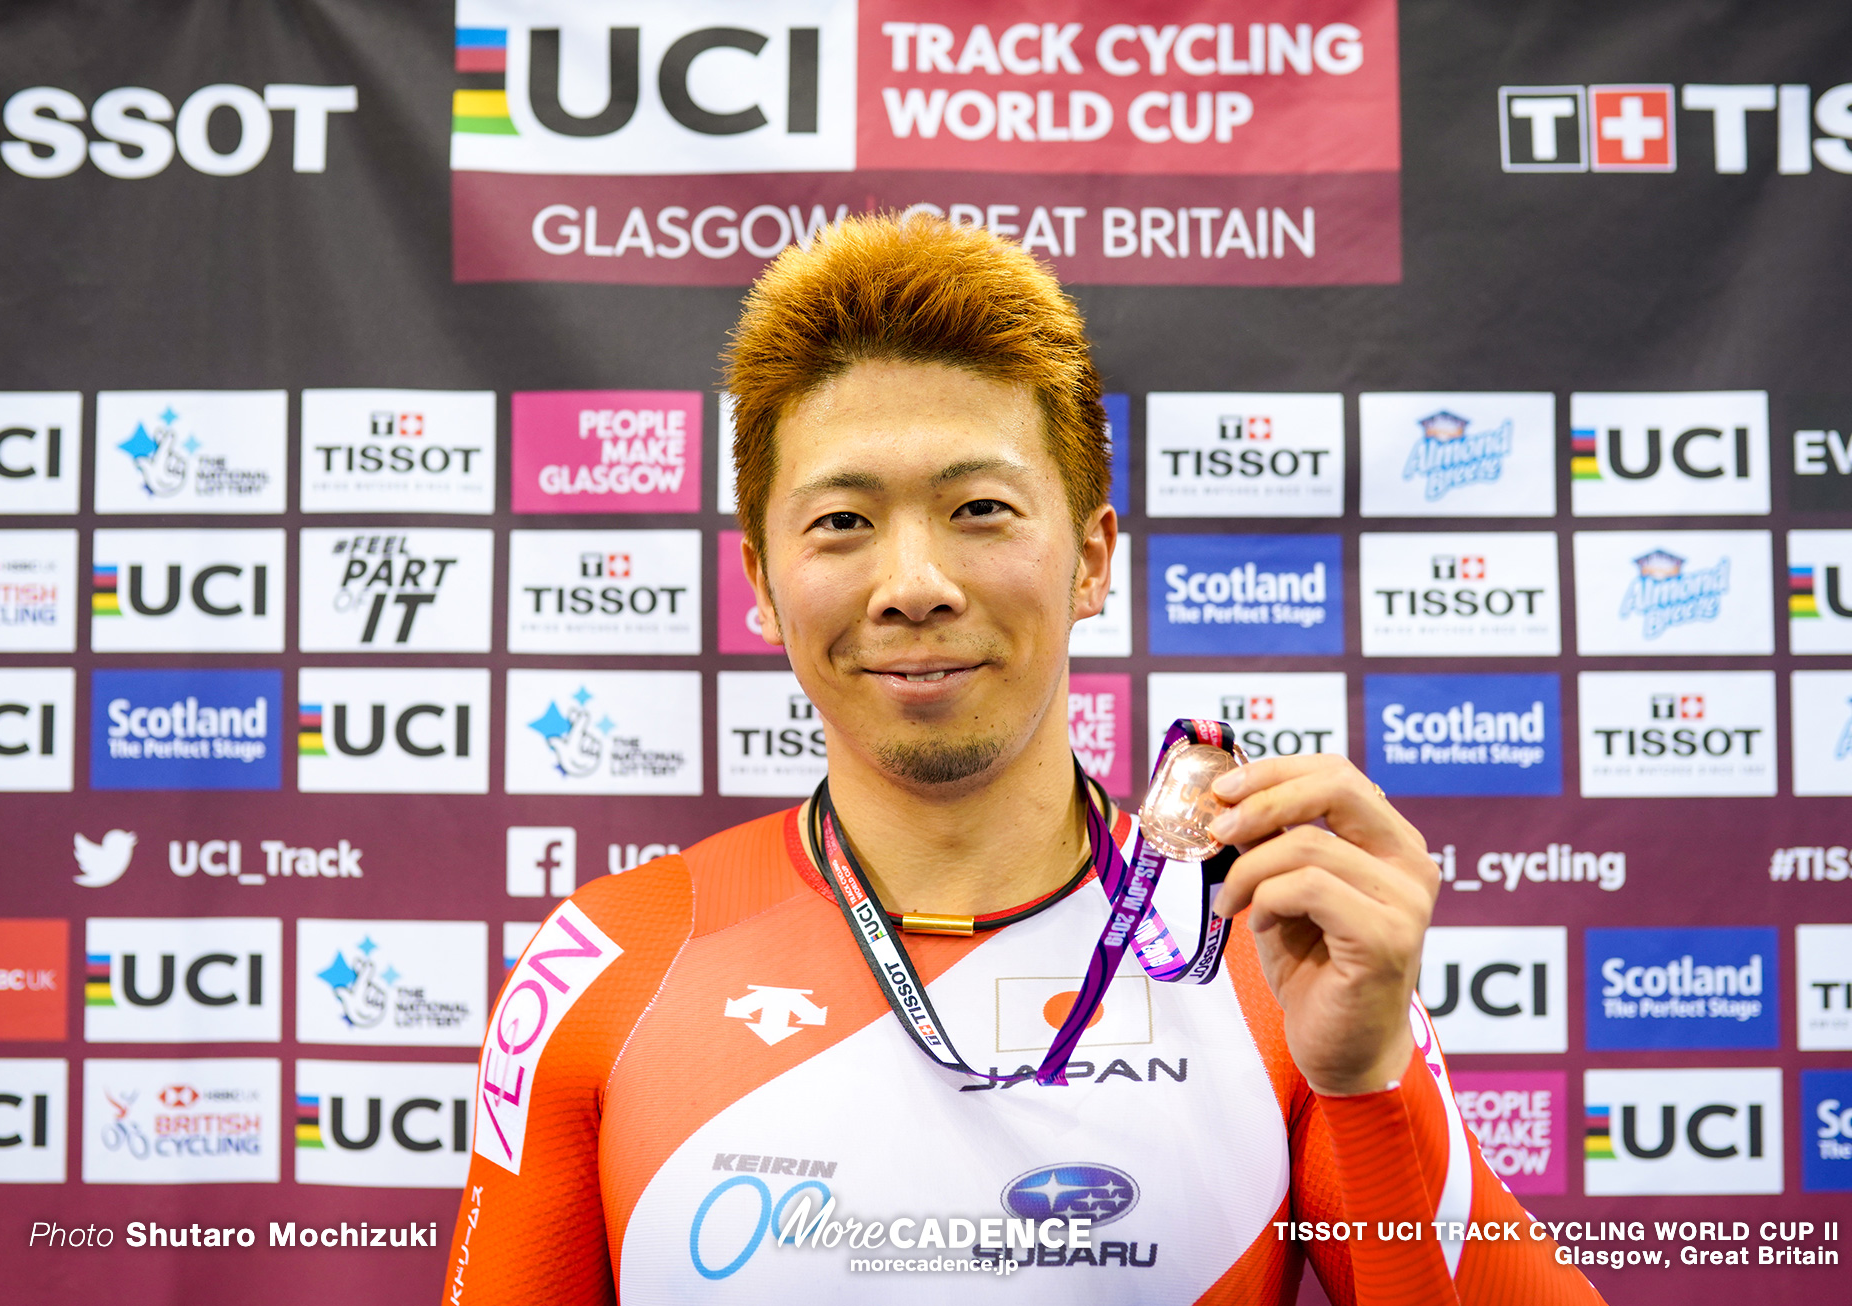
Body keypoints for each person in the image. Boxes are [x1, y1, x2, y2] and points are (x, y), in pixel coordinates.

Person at [444, 214, 1603, 1305]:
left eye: (981, 508)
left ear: (1093, 558)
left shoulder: (1263, 941)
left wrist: (1370, 1076)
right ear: (758, 580)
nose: (913, 585)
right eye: (842, 521)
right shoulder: (604, 965)